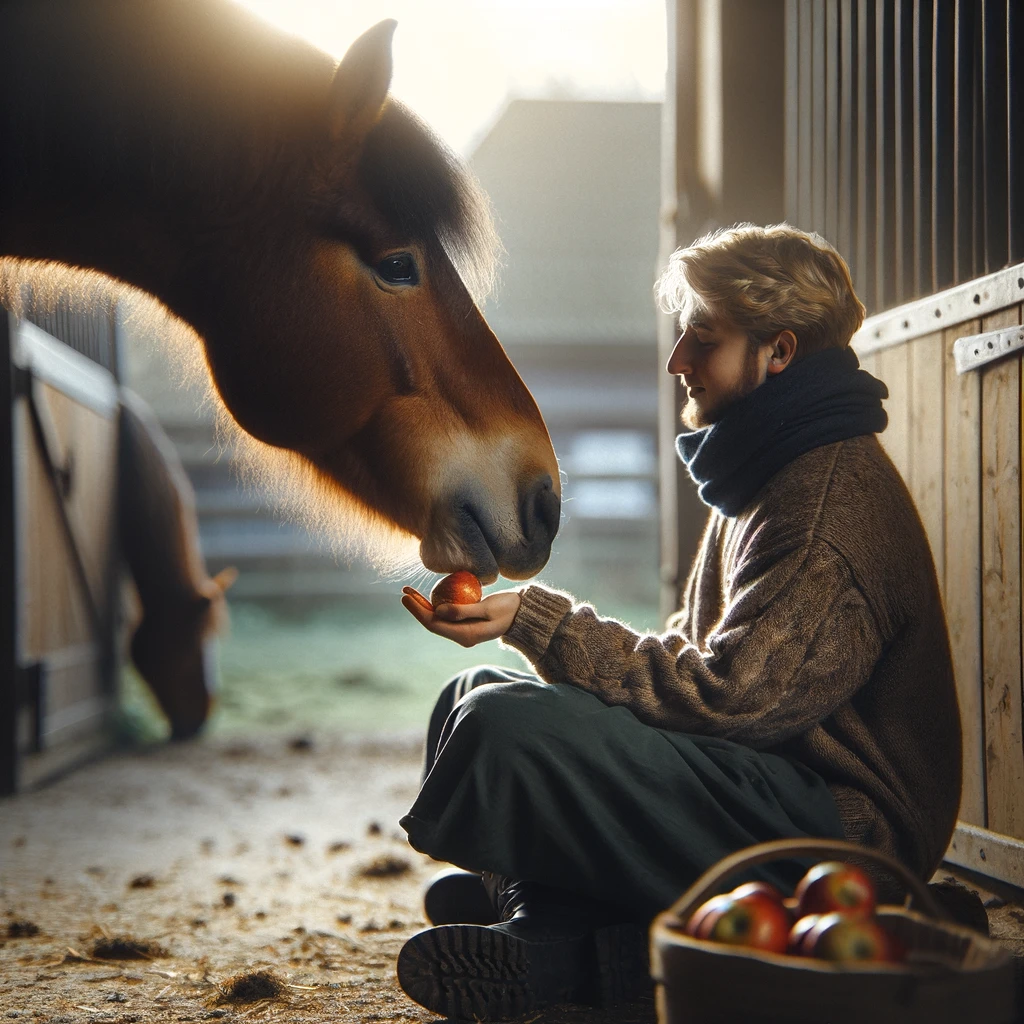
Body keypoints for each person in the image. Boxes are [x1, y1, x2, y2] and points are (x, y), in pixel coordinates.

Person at [393, 223, 963, 1021]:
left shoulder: (825, 507)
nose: (676, 361)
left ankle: (555, 929)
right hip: (768, 783)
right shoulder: (775, 473)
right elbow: (707, 673)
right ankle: (549, 919)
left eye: (704, 336)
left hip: (843, 832)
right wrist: (528, 628)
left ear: (780, 353)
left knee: (504, 727)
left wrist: (538, 619)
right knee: (470, 694)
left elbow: (735, 703)